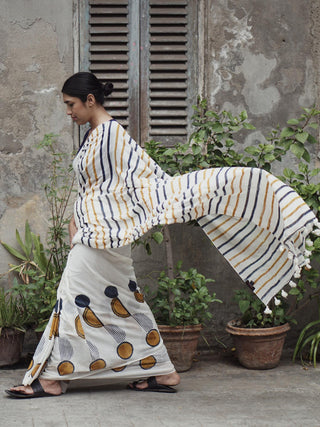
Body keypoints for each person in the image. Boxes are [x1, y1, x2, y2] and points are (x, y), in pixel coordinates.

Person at [5, 72, 318, 398]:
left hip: (100, 238)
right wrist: (77, 216)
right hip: (95, 235)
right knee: (123, 302)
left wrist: (98, 220)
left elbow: (140, 183)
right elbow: (98, 187)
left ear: (90, 100)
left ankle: (52, 378)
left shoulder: (112, 135)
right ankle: (163, 371)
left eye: (71, 104)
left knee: (71, 298)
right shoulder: (95, 134)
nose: (68, 111)